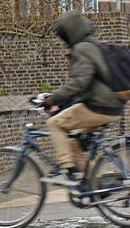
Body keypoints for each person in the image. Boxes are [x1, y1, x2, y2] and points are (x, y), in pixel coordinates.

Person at [40, 11, 125, 186]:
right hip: (110, 105)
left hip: (99, 106)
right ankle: (92, 185)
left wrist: (52, 100)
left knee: (54, 124)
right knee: (73, 140)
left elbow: (79, 82)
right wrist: (61, 101)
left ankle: (66, 170)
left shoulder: (82, 49)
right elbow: (85, 85)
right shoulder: (93, 45)